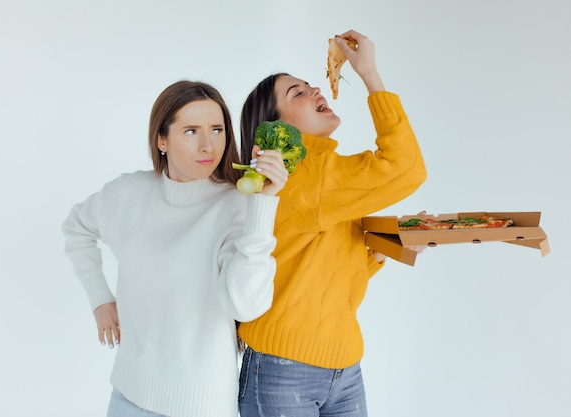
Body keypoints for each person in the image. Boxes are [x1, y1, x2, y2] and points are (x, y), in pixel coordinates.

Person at [62, 80, 289, 417]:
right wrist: (101, 299)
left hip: (202, 406)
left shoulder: (239, 206)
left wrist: (264, 205)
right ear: (162, 140)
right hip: (128, 396)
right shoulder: (127, 193)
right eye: (191, 131)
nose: (208, 145)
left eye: (216, 129)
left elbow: (245, 305)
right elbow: (76, 227)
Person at [236, 30, 427, 416]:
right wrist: (370, 75)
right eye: (297, 93)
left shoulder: (319, 179)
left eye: (309, 84)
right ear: (277, 125)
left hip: (343, 364)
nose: (315, 90)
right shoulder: (310, 174)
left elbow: (322, 270)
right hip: (284, 368)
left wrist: (387, 243)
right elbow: (406, 168)